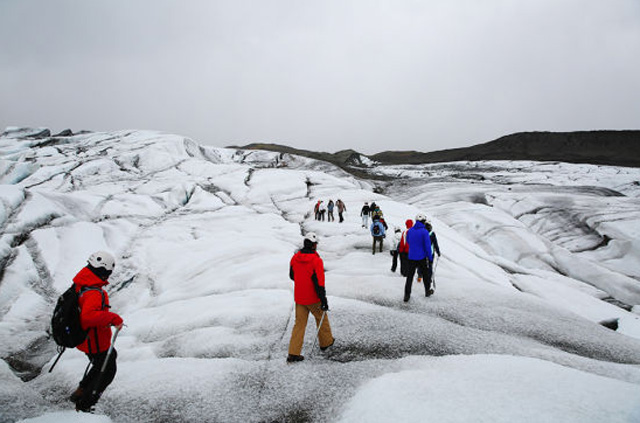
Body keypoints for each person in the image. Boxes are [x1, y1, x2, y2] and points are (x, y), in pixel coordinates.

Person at [69, 251, 124, 412]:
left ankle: (81, 391)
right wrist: (113, 318)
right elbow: (88, 317)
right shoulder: (93, 291)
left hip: (87, 338)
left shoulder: (82, 282)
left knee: (105, 361)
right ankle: (86, 404)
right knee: (106, 371)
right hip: (94, 340)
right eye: (108, 272)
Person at [287, 233, 334, 362]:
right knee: (321, 318)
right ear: (314, 246)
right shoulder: (316, 261)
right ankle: (326, 342)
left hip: (300, 298)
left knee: (299, 325)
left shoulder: (295, 258)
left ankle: (293, 353)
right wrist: (323, 299)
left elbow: (292, 276)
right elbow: (319, 283)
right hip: (313, 298)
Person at [404, 214, 433, 302]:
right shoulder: (424, 231)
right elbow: (428, 246)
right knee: (425, 275)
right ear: (423, 221)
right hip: (421, 257)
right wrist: (430, 258)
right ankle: (427, 291)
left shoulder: (410, 231)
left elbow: (408, 241)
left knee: (410, 277)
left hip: (411, 257)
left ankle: (407, 295)